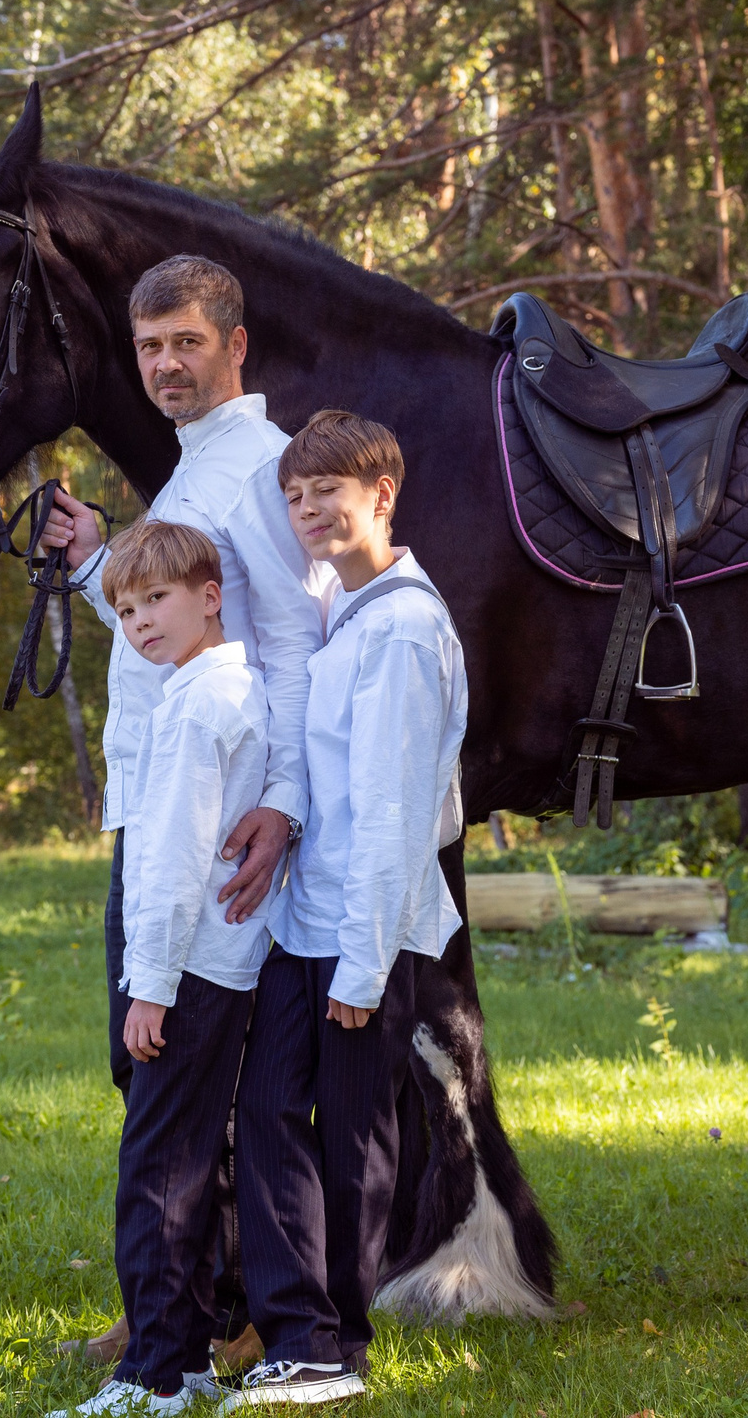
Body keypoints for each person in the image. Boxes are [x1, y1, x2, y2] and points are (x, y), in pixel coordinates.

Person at [38, 254, 328, 1365]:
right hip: (158, 795)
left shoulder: (258, 468)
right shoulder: (193, 466)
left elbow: (294, 641)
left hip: (213, 812)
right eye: (151, 345)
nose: (165, 363)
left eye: (187, 342)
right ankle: (185, 1293)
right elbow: (187, 619)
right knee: (154, 1064)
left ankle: (227, 1310)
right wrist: (92, 564)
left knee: (180, 1061)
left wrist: (288, 802)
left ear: (234, 345)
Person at [226, 411, 467, 1411]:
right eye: (295, 493)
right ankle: (297, 1331)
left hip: (361, 932)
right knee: (269, 1112)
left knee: (352, 1137)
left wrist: (365, 971)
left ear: (382, 492)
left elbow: (397, 814)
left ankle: (336, 1350)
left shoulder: (404, 628)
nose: (309, 508)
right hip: (305, 919)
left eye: (330, 488)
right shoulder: (347, 605)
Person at [50, 520, 276, 1418]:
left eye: (158, 601)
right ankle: (179, 1359)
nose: (140, 621)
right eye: (126, 606)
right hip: (215, 965)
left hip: (186, 972)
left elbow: (176, 859)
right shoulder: (230, 687)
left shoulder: (194, 706)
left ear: (210, 597)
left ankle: (153, 1376)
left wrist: (147, 987)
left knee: (158, 1168)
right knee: (180, 1158)